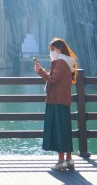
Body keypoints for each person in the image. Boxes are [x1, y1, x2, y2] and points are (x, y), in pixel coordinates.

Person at [33, 37, 77, 171]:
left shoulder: (60, 62)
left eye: (53, 49)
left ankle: (61, 161)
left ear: (60, 49)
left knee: (58, 130)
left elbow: (52, 79)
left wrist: (40, 71)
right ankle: (69, 159)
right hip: (63, 100)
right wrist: (43, 71)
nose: (51, 52)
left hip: (56, 100)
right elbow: (56, 79)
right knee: (64, 130)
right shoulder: (68, 62)